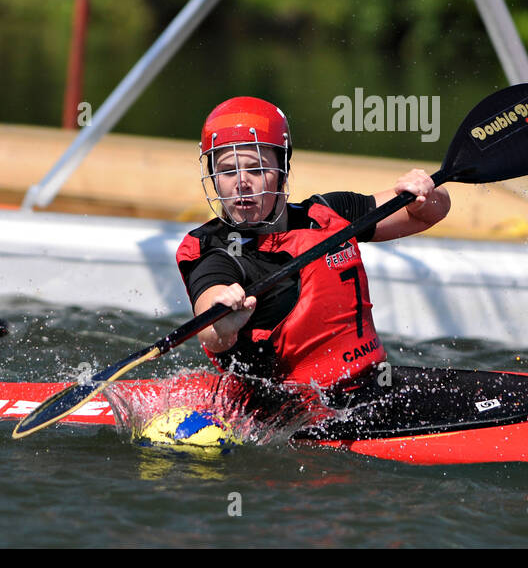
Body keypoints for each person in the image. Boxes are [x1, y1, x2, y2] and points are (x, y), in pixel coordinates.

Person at [174, 96, 450, 401]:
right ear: (213, 178)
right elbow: (210, 328)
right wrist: (224, 322)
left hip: (371, 384)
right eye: (227, 172)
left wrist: (426, 192)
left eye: (256, 169)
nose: (241, 183)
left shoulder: (330, 213)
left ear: (282, 169)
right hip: (289, 407)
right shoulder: (217, 252)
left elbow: (427, 214)